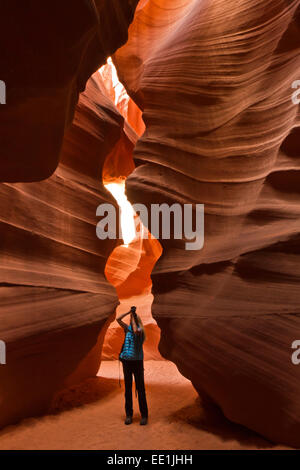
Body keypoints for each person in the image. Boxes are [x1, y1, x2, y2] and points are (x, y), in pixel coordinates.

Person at [117, 306, 148, 425]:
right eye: (130, 319)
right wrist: (129, 312)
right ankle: (129, 415)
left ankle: (144, 416)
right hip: (127, 363)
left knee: (140, 390)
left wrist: (134, 317)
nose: (130, 320)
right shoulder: (127, 329)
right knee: (128, 390)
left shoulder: (140, 331)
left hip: (137, 363)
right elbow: (118, 319)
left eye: (132, 319)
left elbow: (135, 330)